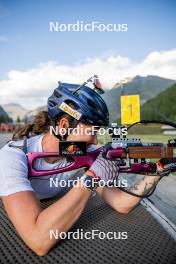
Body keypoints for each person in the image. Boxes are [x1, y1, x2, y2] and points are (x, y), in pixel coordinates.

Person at [0, 80, 161, 256]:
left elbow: (121, 203)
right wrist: (90, 179)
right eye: (92, 132)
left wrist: (157, 171)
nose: (95, 141)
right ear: (63, 126)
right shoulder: (11, 156)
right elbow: (38, 240)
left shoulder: (81, 151)